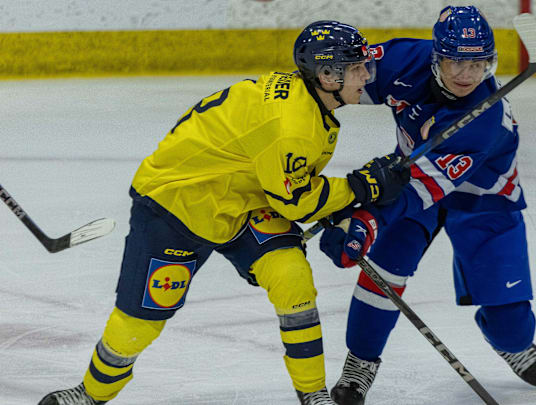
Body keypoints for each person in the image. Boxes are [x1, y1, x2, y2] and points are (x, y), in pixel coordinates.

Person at [38, 20, 410, 405]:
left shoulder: (306, 100)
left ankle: (314, 396)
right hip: (175, 206)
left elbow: (289, 182)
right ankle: (90, 394)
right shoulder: (294, 124)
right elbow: (298, 202)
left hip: (244, 200)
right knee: (140, 322)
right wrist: (359, 187)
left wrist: (345, 198)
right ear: (327, 74)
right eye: (355, 68)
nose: (366, 74)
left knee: (291, 276)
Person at [319, 6, 536, 404]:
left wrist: (366, 220)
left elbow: (421, 190)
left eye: (477, 64)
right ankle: (361, 361)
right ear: (435, 57)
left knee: (513, 327)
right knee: (383, 274)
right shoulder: (401, 61)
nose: (466, 74)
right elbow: (339, 83)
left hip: (485, 201)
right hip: (415, 182)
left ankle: (506, 338)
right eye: (455, 61)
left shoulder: (484, 118)